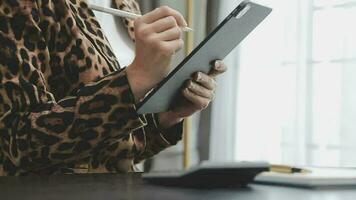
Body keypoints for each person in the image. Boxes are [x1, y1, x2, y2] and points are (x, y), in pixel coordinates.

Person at [0, 0, 227, 176]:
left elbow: (113, 151)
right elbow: (16, 144)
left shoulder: (125, 5)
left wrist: (165, 117)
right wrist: (136, 78)